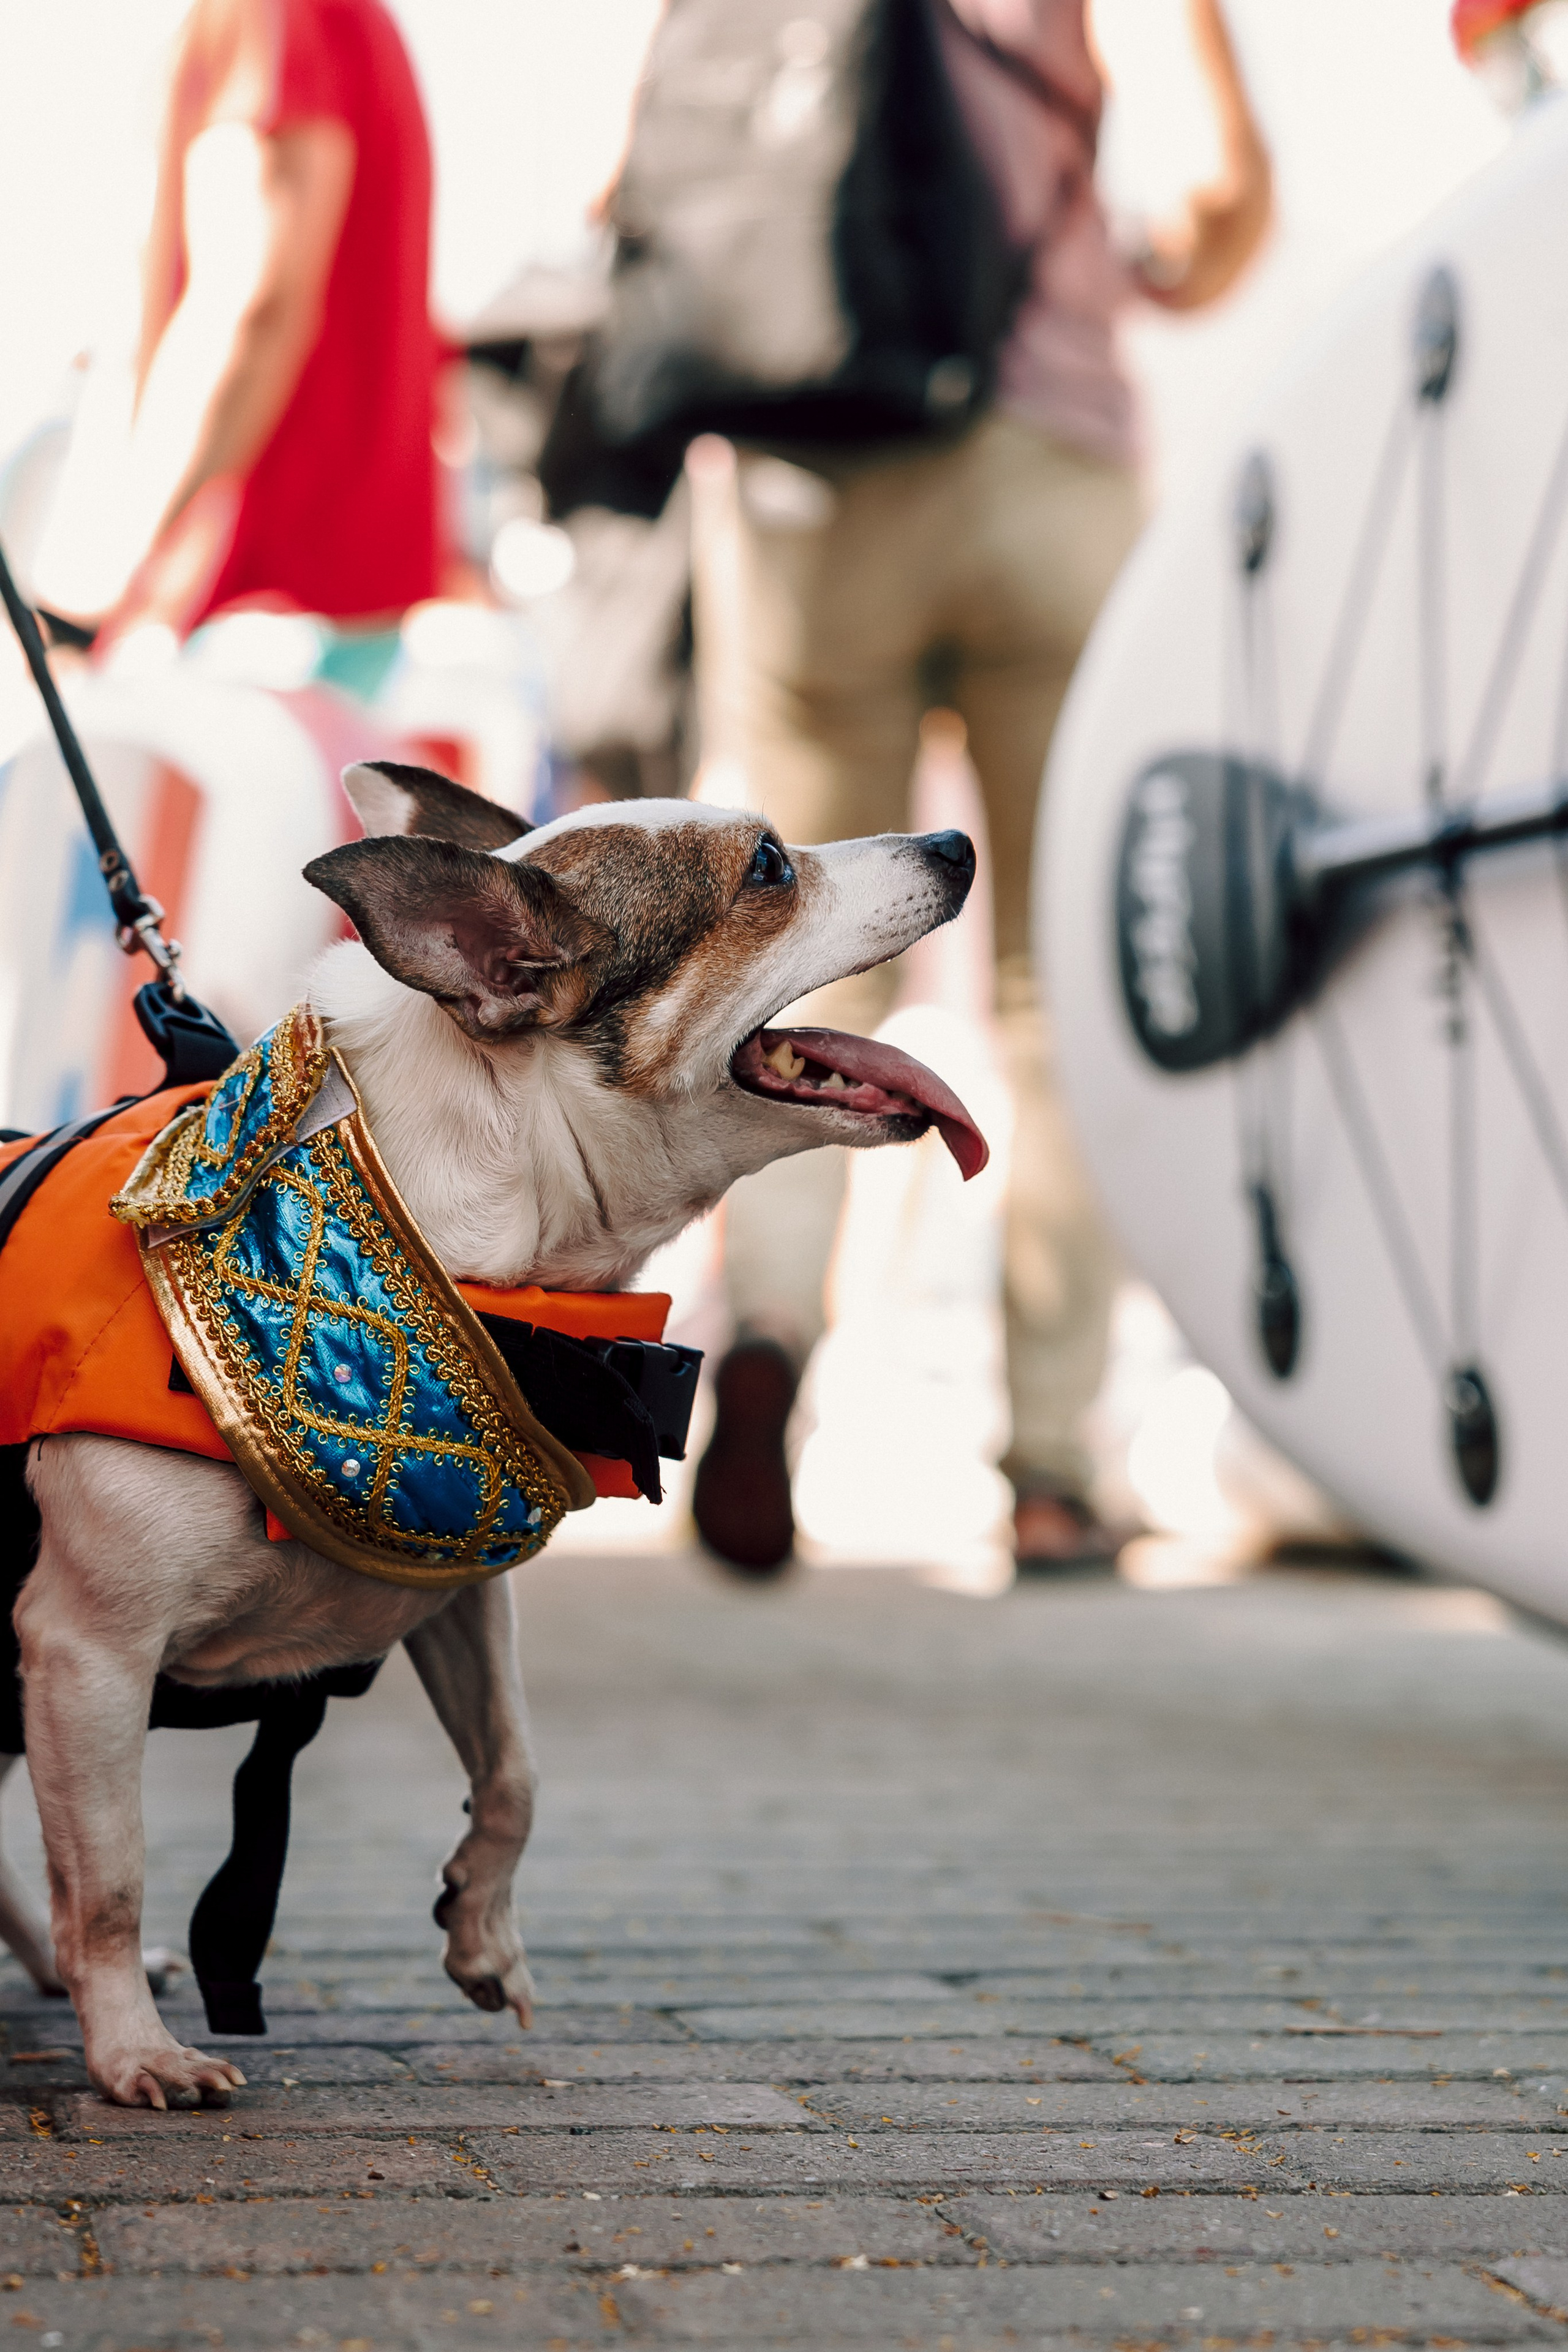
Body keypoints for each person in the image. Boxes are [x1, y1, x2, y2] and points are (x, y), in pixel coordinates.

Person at [688, 0, 1273, 1574]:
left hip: (818, 472)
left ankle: (766, 1330)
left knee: (802, 941)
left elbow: (658, 188)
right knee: (1051, 974)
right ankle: (1051, 1462)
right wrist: (1135, 264)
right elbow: (1221, 189)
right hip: (1043, 460)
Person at [37, 0, 442, 642]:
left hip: (261, 620)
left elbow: (253, 302)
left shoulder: (278, 13)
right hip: (315, 610)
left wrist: (102, 578)